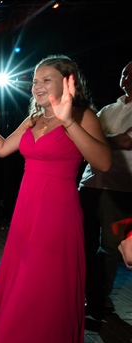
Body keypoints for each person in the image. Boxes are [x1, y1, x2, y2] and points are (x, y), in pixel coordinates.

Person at [0, 55, 112, 343]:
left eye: (46, 79)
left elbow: (104, 163)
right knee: (23, 278)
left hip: (57, 212)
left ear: (68, 81)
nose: (37, 85)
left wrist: (68, 121)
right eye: (35, 80)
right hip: (26, 208)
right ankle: (17, 342)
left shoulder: (82, 115)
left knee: (43, 285)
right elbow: (2, 148)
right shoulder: (33, 119)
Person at [79, 61, 132, 320]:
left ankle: (101, 298)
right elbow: (90, 139)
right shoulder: (108, 109)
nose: (127, 78)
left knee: (110, 246)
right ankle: (84, 294)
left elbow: (98, 140)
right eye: (124, 73)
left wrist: (102, 140)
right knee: (82, 241)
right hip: (89, 184)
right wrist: (116, 140)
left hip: (121, 187)